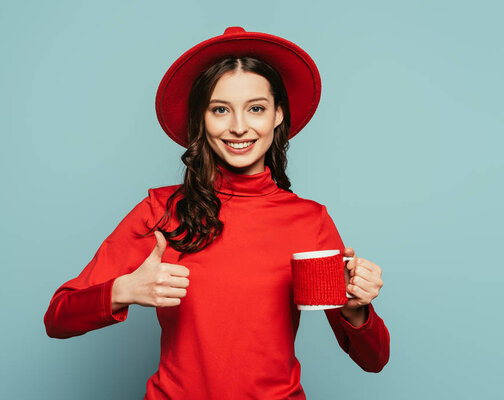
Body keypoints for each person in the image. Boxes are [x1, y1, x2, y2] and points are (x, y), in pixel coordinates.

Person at [43, 26, 390, 399]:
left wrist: (358, 309)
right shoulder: (160, 211)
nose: (239, 127)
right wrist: (123, 290)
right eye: (220, 110)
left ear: (278, 115)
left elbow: (374, 361)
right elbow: (58, 318)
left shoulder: (310, 221)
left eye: (256, 108)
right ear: (201, 119)